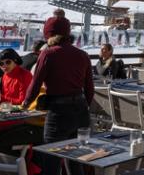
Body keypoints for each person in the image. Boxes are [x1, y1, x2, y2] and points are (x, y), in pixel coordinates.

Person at [24, 11, 94, 175]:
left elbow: (36, 83)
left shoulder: (48, 54)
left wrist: (26, 103)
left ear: (49, 34)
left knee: (52, 160)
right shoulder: (83, 55)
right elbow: (89, 89)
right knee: (76, 159)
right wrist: (84, 107)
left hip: (58, 113)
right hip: (81, 111)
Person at [0, 48, 43, 155]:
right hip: (9, 112)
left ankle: (9, 161)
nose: (4, 65)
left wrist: (1, 98)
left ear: (15, 61)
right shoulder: (5, 75)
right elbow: (7, 98)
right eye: (1, 64)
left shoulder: (25, 75)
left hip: (22, 115)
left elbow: (22, 101)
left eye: (8, 62)